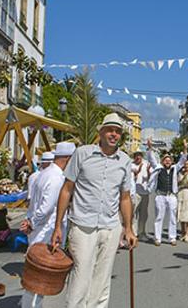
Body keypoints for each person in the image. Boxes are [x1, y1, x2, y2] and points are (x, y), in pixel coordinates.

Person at [50, 113, 137, 308]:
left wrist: (129, 228)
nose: (114, 134)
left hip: (111, 226)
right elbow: (66, 190)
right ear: (101, 132)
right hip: (82, 225)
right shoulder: (82, 153)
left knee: (102, 278)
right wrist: (58, 227)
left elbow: (125, 197)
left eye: (118, 131)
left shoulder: (124, 161)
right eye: (110, 130)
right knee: (81, 276)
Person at [20, 142, 75, 308]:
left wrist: (30, 222)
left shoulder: (43, 173)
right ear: (67, 159)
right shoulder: (57, 178)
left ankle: (28, 304)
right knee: (41, 275)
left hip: (38, 229)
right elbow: (47, 207)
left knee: (34, 273)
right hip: (46, 230)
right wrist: (33, 222)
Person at [146, 138, 188, 246]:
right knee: (159, 217)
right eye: (165, 159)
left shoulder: (175, 168)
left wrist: (185, 148)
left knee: (173, 218)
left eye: (169, 160)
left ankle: (172, 237)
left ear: (172, 161)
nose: (168, 161)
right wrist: (150, 147)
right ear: (162, 161)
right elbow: (151, 159)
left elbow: (183, 160)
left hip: (172, 196)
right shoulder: (158, 168)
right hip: (160, 195)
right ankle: (158, 238)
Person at [131, 150, 151, 241]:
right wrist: (136, 174)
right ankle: (133, 233)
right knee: (133, 214)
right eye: (136, 155)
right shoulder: (131, 165)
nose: (138, 157)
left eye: (139, 155)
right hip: (135, 193)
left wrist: (148, 171)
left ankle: (141, 232)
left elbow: (151, 177)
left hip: (145, 193)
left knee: (143, 215)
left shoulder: (146, 164)